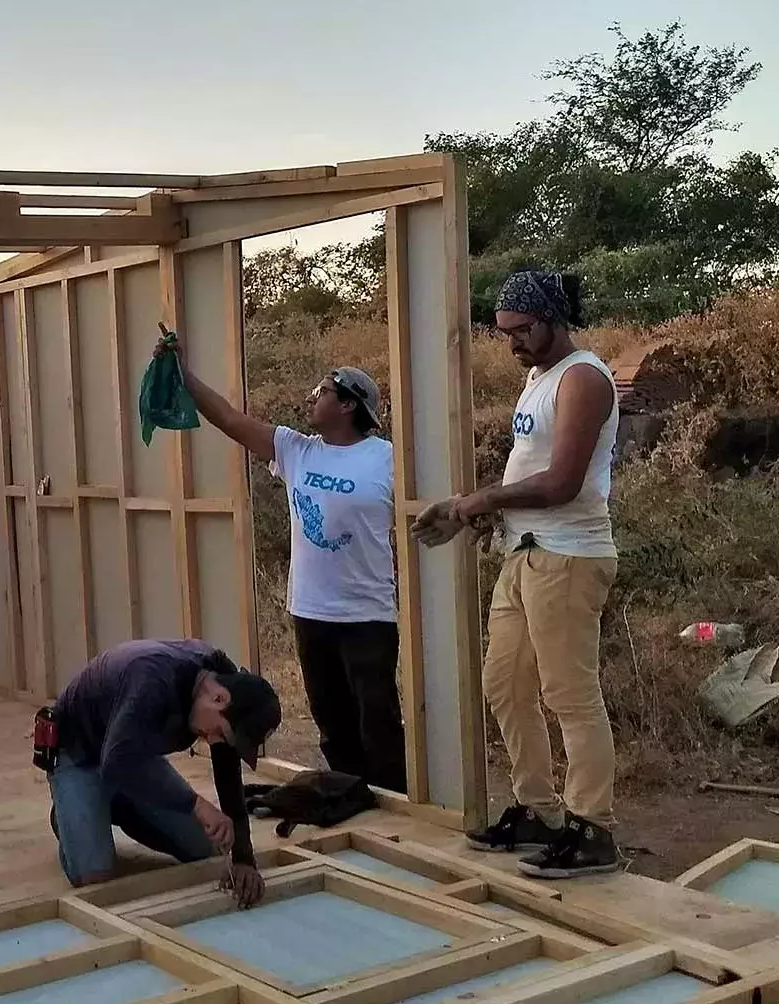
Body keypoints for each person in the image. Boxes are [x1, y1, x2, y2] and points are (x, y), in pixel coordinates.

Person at [444, 270, 623, 879]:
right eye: (505, 334)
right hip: (526, 551)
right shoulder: (539, 377)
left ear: (552, 320)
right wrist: (488, 509)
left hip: (569, 553)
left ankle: (592, 827)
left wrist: (481, 500)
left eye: (522, 331)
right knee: (506, 685)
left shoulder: (583, 378)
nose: (514, 343)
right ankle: (539, 811)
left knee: (569, 694)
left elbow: (562, 482)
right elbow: (532, 465)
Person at [170, 338, 405, 792]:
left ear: (349, 404)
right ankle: (347, 794)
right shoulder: (298, 449)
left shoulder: (386, 458)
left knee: (377, 719)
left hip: (367, 614)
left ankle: (393, 801)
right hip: (311, 611)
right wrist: (185, 376)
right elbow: (230, 420)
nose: (310, 399)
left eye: (321, 393)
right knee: (331, 718)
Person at [44, 639, 283, 907]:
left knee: (206, 847)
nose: (214, 741)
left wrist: (243, 857)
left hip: (132, 754)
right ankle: (66, 815)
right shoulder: (152, 679)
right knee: (95, 877)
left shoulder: (223, 683)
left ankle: (115, 804)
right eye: (220, 733)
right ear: (218, 698)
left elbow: (229, 776)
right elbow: (117, 760)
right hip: (80, 754)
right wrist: (195, 803)